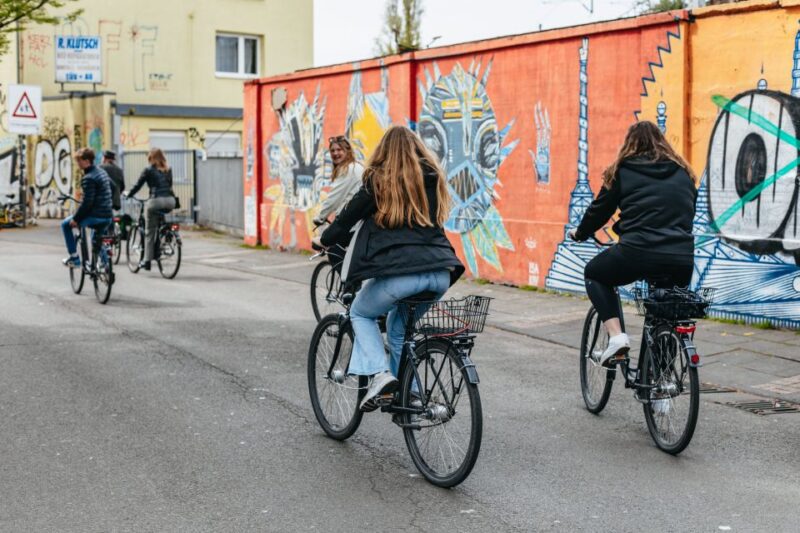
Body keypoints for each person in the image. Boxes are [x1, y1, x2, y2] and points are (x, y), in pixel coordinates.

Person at [316, 125, 465, 411]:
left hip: (401, 276)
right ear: (418, 150)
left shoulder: (378, 181)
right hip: (440, 274)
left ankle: (381, 375)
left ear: (384, 152)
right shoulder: (431, 180)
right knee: (398, 329)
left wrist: (324, 239)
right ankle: (408, 393)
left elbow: (345, 220)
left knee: (360, 312)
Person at [569, 120, 697, 366]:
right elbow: (686, 211)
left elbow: (600, 211)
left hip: (638, 251)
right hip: (681, 257)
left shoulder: (623, 169)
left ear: (630, 144)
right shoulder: (683, 171)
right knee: (666, 315)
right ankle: (662, 387)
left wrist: (582, 232)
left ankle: (617, 338)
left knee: (594, 274)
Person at [312, 135, 364, 267]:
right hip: (359, 222)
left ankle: (349, 285)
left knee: (334, 250)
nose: (335, 153)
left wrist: (320, 217)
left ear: (348, 151)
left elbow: (333, 198)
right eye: (332, 150)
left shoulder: (348, 169)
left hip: (352, 222)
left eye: (339, 149)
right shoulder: (355, 167)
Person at [125, 148, 176, 271]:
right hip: (171, 201)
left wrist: (129, 194)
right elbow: (169, 185)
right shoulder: (168, 169)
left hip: (155, 201)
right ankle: (164, 237)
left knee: (149, 231)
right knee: (159, 220)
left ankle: (147, 261)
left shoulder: (148, 170)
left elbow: (138, 185)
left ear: (151, 158)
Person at [61, 148, 113, 267]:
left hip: (95, 216)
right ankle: (106, 268)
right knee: (96, 239)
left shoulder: (88, 178)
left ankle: (74, 258)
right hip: (107, 216)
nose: (78, 163)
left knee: (65, 224)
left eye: (79, 160)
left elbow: (87, 203)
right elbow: (113, 188)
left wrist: (76, 219)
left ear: (87, 161)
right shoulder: (102, 172)